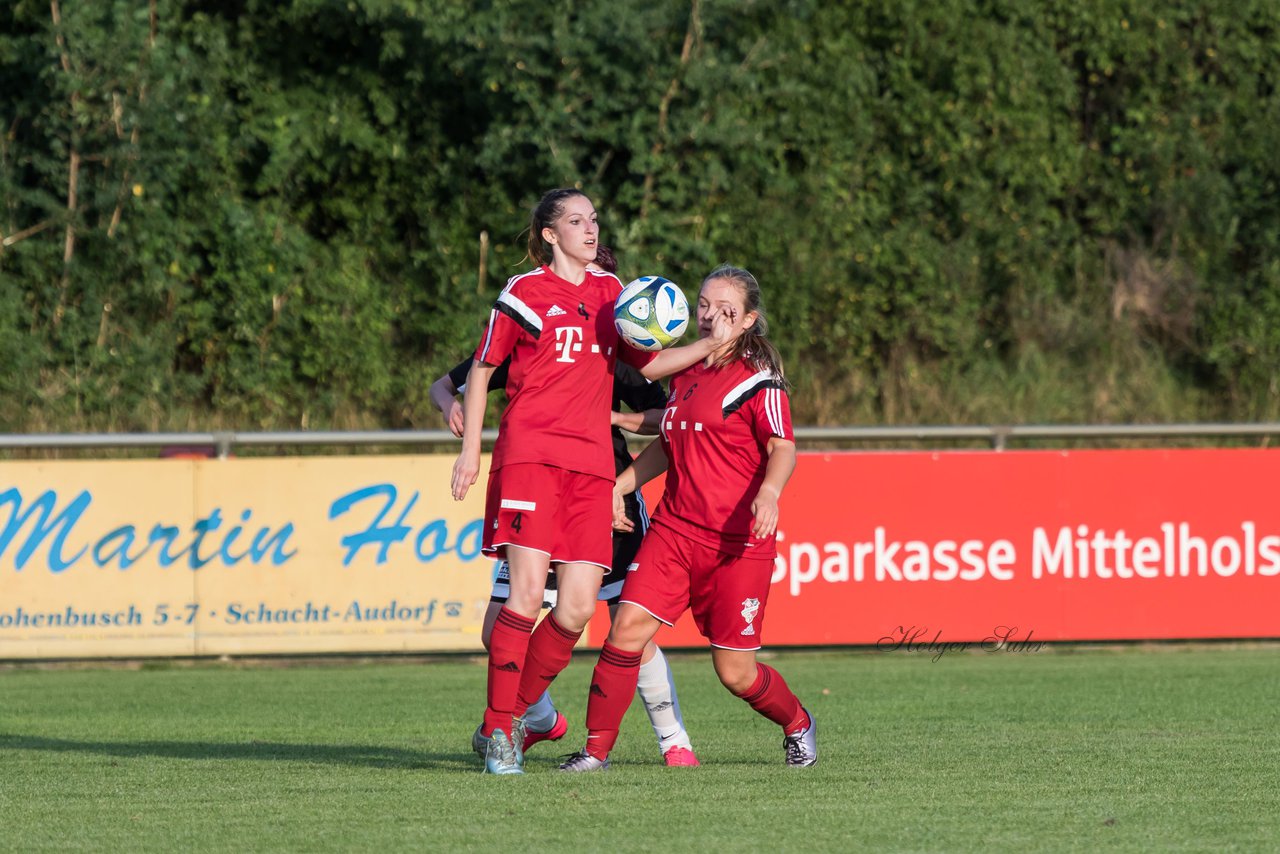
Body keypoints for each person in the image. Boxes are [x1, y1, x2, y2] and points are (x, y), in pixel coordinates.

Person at [451, 189, 730, 774]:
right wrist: (471, 453)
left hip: (592, 469)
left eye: (594, 219)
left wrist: (706, 345)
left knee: (576, 611)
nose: (590, 229)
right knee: (525, 597)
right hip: (530, 455)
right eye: (575, 221)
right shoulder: (523, 292)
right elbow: (479, 371)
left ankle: (506, 718)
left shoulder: (613, 295)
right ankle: (502, 737)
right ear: (549, 235)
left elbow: (648, 365)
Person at [559, 264, 817, 771]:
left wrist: (769, 491)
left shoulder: (759, 378)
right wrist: (619, 484)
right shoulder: (688, 369)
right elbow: (669, 444)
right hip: (676, 530)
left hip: (736, 542)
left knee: (736, 673)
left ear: (747, 321)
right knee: (625, 632)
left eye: (725, 310)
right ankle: (594, 752)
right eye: (703, 305)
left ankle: (798, 723)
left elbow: (782, 446)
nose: (709, 316)